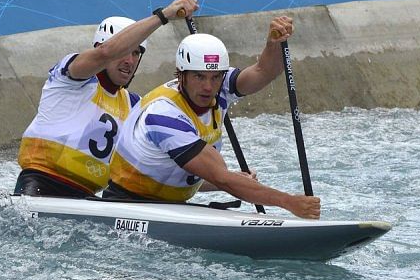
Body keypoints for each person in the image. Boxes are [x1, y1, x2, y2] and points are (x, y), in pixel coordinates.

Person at [103, 17, 321, 219]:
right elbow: (222, 178)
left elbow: (263, 71)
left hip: (172, 203)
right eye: (199, 76)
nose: (208, 87)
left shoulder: (219, 87)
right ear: (181, 75)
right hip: (128, 204)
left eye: (215, 77)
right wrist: (289, 202)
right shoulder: (163, 114)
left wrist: (274, 43)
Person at [14, 0, 199, 198]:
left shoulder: (134, 106)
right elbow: (105, 53)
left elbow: (159, 168)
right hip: (40, 185)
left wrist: (225, 179)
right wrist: (163, 15)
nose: (130, 60)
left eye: (136, 53)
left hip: (89, 198)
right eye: (126, 51)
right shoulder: (71, 77)